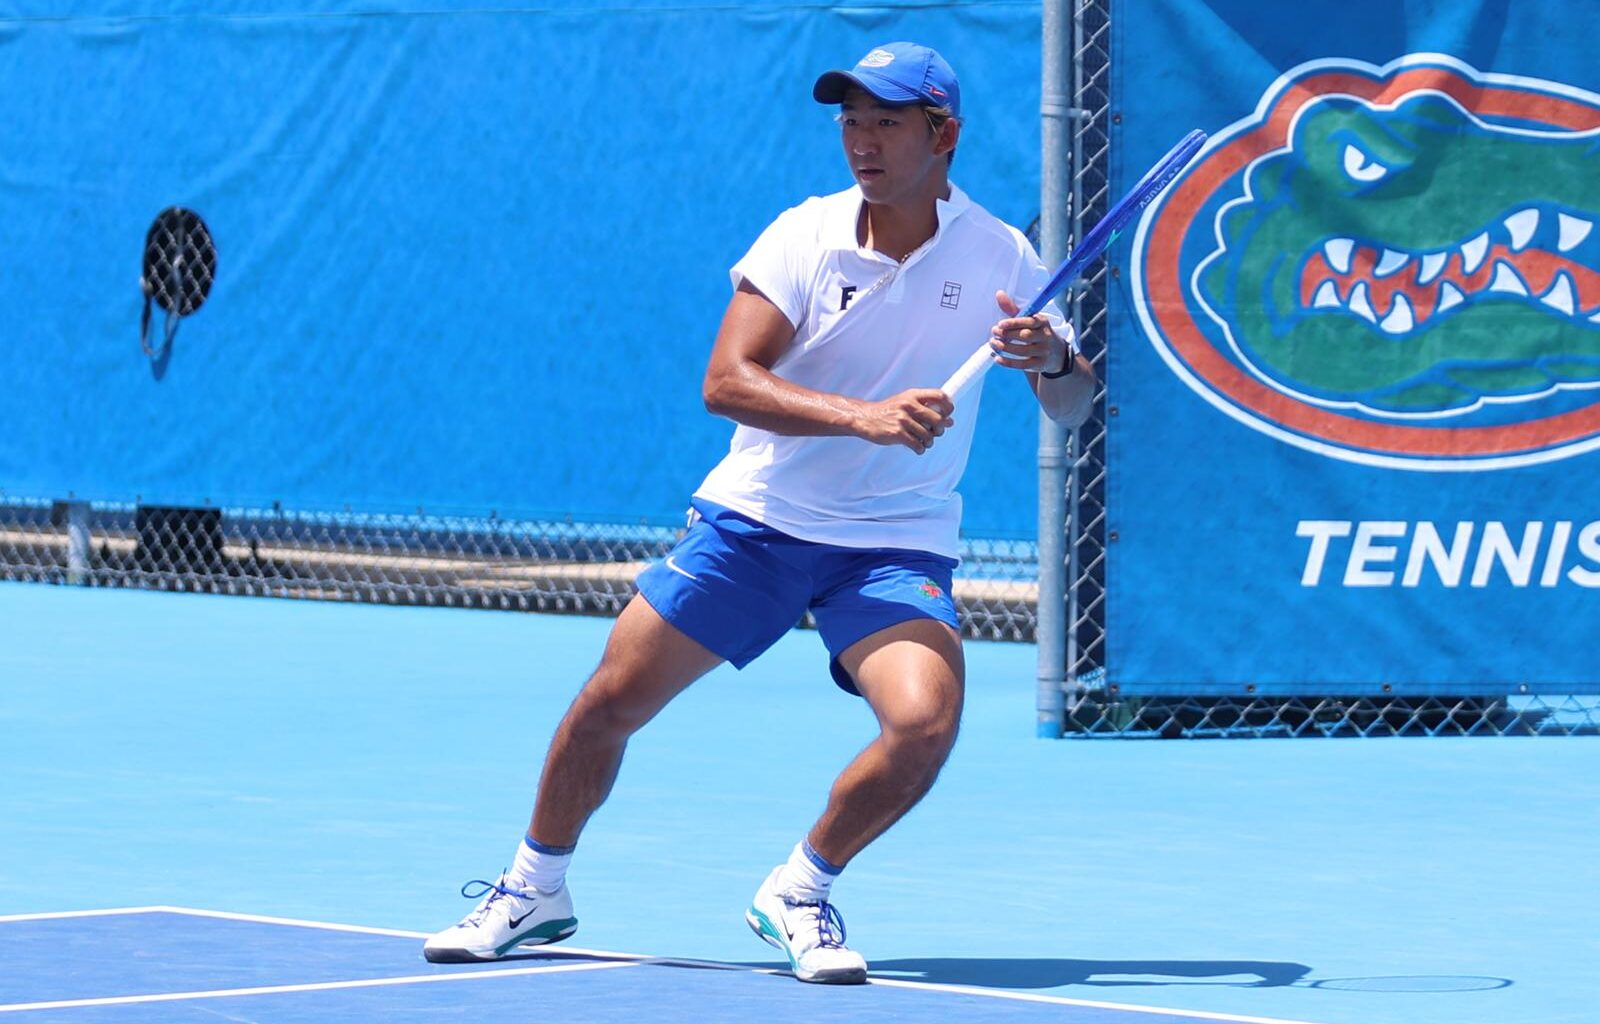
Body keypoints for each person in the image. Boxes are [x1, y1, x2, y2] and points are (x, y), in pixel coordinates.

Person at [423, 41, 1095, 984]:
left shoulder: (1001, 256)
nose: (862, 140)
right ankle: (535, 887)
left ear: (943, 135)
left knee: (924, 722)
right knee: (608, 704)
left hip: (891, 547)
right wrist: (865, 418)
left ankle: (801, 890)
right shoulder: (806, 236)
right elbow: (725, 382)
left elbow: (1073, 405)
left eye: (887, 121)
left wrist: (1050, 361)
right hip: (759, 524)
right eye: (851, 120)